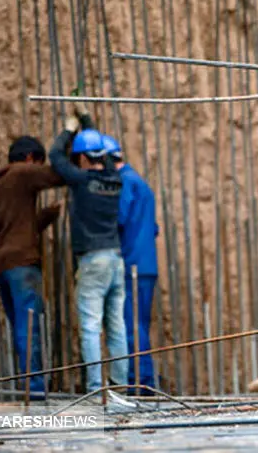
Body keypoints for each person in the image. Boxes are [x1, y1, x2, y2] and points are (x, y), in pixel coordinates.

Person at [49, 104, 128, 393]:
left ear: (82, 157)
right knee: (117, 327)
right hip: (115, 259)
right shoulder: (114, 179)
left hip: (93, 261)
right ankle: (119, 386)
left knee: (91, 327)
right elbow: (101, 154)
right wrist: (86, 120)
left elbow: (55, 157)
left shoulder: (82, 181)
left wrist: (69, 129)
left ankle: (96, 389)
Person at [0, 136, 64, 398]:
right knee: (29, 328)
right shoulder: (23, 172)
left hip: (3, 264)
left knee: (20, 328)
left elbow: (18, 226)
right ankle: (33, 391)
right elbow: (58, 175)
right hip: (23, 264)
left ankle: (29, 387)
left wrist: (46, 216)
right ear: (31, 158)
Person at [102, 135, 159, 393]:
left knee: (131, 326)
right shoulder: (140, 182)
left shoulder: (124, 182)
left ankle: (142, 384)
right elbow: (153, 228)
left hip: (132, 265)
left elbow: (118, 217)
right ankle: (142, 382)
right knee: (139, 324)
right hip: (146, 264)